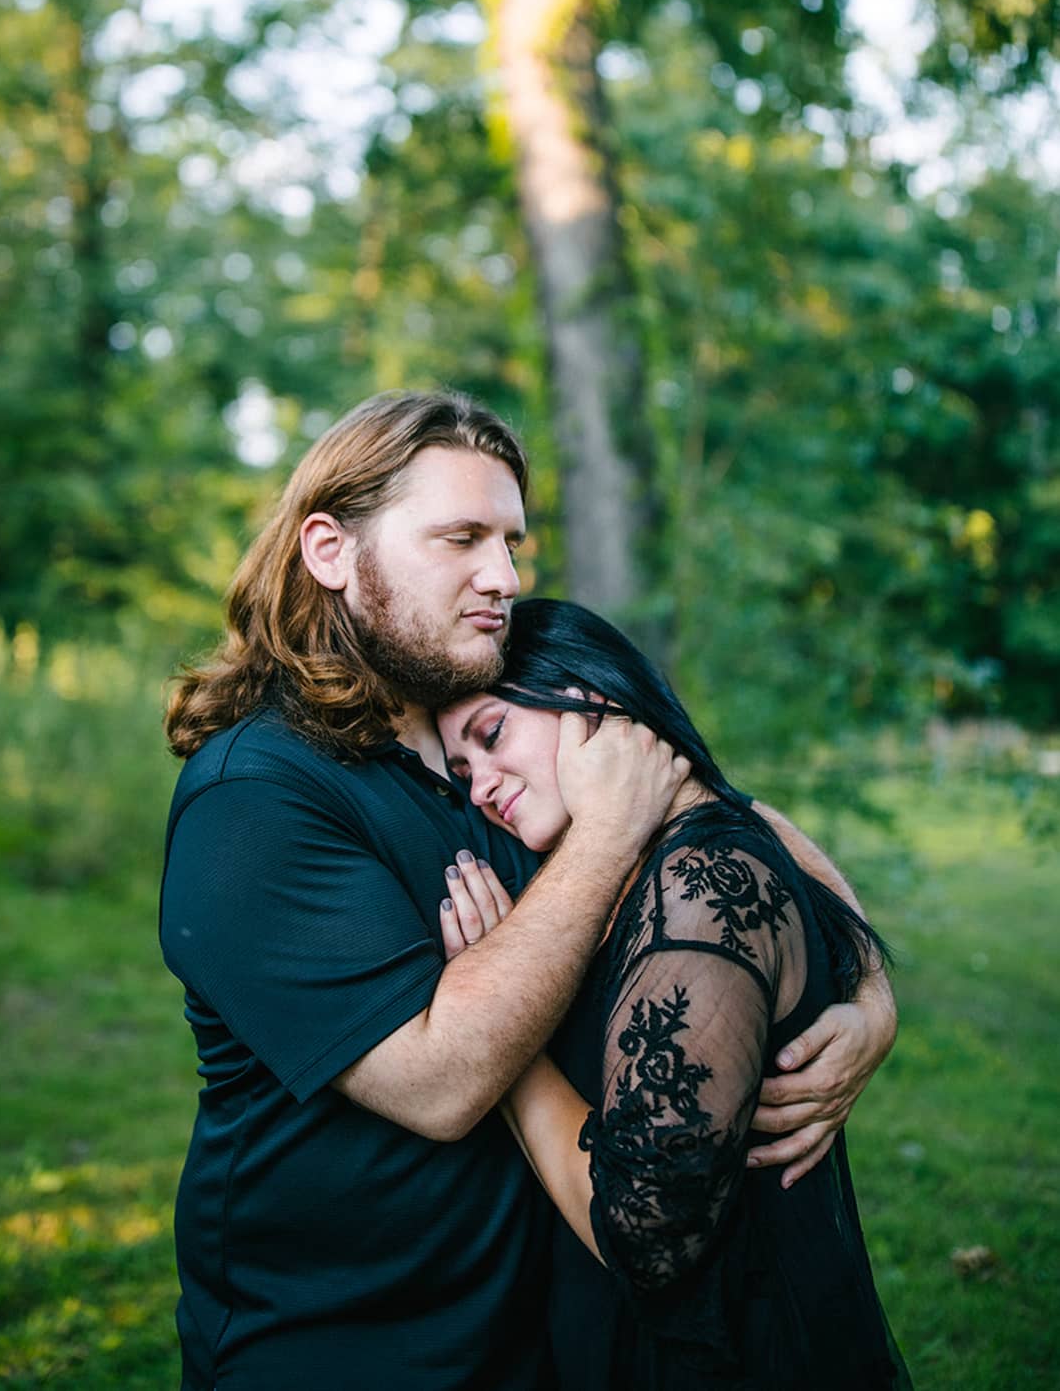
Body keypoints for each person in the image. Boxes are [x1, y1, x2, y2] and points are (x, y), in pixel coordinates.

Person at [159, 389, 897, 1390]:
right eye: (460, 537)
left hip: (545, 1336)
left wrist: (864, 989)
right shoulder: (256, 799)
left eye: (511, 541)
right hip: (349, 1346)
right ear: (329, 550)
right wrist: (607, 829)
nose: (501, 576)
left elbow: (722, 810)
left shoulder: (475, 706)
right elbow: (441, 1079)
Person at [436, 596, 911, 1391]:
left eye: (491, 736)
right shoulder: (631, 857)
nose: (480, 785)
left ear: (590, 701)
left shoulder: (700, 887)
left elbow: (644, 1236)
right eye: (461, 771)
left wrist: (502, 1049)